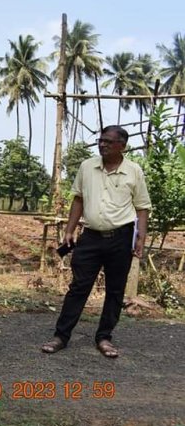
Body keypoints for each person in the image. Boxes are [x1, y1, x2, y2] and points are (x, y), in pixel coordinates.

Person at [42, 125, 150, 359]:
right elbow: (78, 199)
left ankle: (104, 337)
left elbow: (142, 208)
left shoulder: (133, 171)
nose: (102, 145)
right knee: (79, 287)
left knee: (115, 290)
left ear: (122, 146)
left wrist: (141, 236)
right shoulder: (87, 166)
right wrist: (70, 229)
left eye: (108, 142)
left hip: (121, 238)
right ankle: (61, 336)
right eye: (101, 140)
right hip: (90, 237)